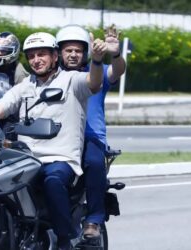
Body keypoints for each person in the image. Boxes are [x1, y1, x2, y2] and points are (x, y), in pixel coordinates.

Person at [0, 31, 106, 250]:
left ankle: (65, 239)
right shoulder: (25, 86)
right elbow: (1, 107)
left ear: (55, 57)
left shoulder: (72, 80)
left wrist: (98, 60)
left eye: (42, 54)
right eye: (32, 56)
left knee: (53, 180)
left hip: (59, 158)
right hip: (26, 158)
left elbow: (93, 82)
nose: (36, 60)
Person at [56, 24, 126, 240]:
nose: (73, 55)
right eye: (68, 50)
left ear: (86, 53)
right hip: (55, 139)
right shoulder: (51, 75)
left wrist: (115, 54)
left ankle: (94, 219)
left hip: (90, 137)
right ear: (58, 53)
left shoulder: (96, 72)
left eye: (78, 50)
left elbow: (117, 71)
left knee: (94, 163)